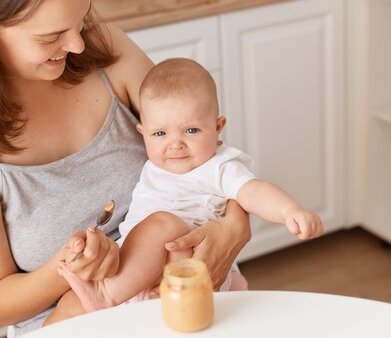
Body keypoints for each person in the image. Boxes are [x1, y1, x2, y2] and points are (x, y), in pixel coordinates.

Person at [0, 0, 251, 338]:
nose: (78, 45)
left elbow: (210, 161)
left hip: (181, 301)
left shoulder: (110, 54)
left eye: (80, 20)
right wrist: (68, 265)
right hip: (70, 332)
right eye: (51, 36)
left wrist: (233, 230)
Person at [54, 57, 324, 315]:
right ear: (143, 133)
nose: (175, 143)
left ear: (218, 127)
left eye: (191, 130)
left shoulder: (219, 167)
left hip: (194, 269)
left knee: (163, 225)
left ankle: (105, 295)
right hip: (138, 280)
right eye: (160, 133)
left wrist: (290, 211)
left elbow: (254, 191)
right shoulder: (155, 167)